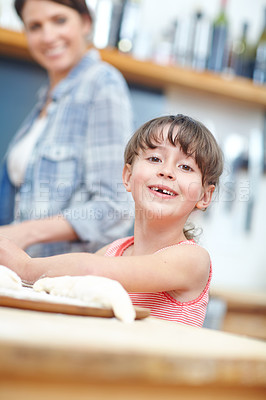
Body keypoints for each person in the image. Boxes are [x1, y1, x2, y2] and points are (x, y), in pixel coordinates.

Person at [0, 114, 224, 326]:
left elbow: (91, 270)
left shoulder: (193, 259)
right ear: (127, 176)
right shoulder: (110, 252)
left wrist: (24, 266)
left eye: (185, 167)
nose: (166, 171)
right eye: (155, 158)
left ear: (204, 196)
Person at [0, 0, 134, 257]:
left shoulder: (102, 84)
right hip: (28, 278)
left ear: (86, 22)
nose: (48, 36)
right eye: (35, 26)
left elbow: (115, 206)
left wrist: (23, 233)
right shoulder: (46, 101)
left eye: (59, 20)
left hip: (64, 282)